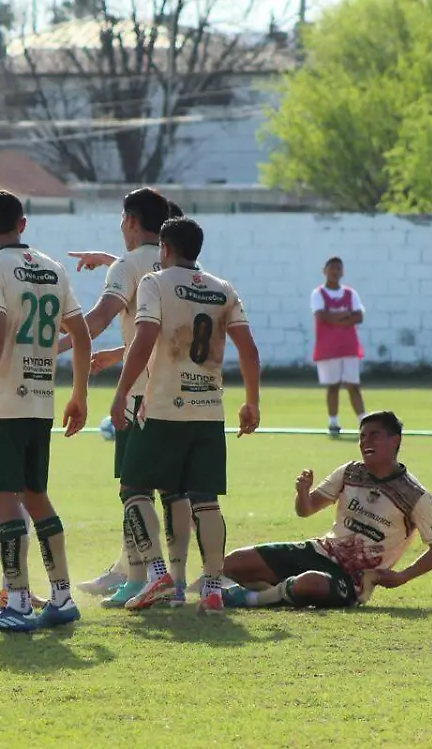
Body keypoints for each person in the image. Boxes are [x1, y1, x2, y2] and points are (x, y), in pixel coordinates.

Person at [109, 217, 261, 614]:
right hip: (209, 411)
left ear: (164, 248)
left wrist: (122, 391)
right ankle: (211, 588)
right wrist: (252, 402)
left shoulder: (154, 282)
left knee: (133, 487)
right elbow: (248, 349)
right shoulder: (222, 289)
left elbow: (143, 338)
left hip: (161, 406)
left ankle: (158, 573)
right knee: (205, 499)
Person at [0, 190, 92, 632]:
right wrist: (79, 394)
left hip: (2, 402)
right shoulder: (53, 268)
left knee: (2, 497)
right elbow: (81, 333)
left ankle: (17, 603)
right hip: (41, 400)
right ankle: (62, 597)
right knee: (35, 494)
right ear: (23, 223)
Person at [58, 188, 194, 608]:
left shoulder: (128, 265)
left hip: (142, 394)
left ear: (131, 222)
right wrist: (120, 352)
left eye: (122, 220)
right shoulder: (184, 266)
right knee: (174, 489)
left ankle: (145, 577)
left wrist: (48, 347)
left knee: (132, 486)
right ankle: (165, 577)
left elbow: (97, 319)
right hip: (185, 393)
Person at [222, 411, 432, 609]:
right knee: (231, 562)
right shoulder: (350, 472)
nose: (364, 442)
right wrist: (303, 493)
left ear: (395, 441)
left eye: (374, 435)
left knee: (310, 583)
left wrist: (402, 576)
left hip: (353, 579)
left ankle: (252, 598)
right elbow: (306, 510)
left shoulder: (414, 495)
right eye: (361, 436)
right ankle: (278, 589)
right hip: (320, 551)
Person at [311, 256, 366, 437]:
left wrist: (338, 318)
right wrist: (344, 317)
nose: (335, 272)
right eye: (331, 268)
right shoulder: (318, 294)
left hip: (349, 346)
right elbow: (322, 316)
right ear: (325, 271)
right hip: (328, 348)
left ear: (342, 272)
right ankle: (333, 421)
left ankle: (362, 421)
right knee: (333, 386)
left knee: (353, 385)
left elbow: (359, 316)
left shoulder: (351, 294)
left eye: (338, 268)